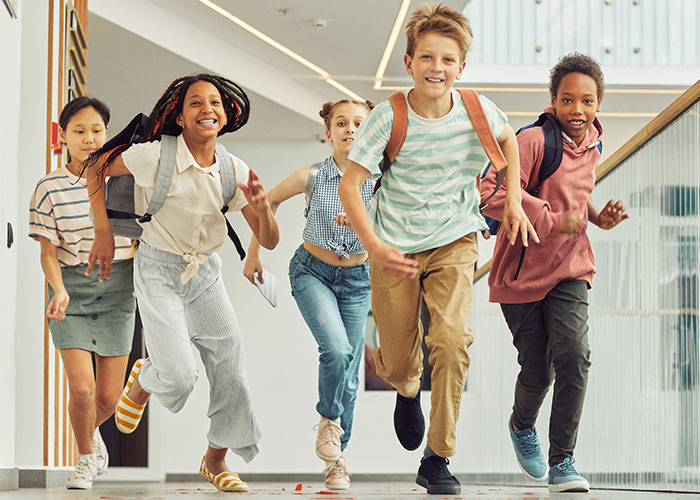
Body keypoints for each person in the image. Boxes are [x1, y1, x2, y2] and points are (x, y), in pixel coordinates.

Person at [338, 3, 536, 495]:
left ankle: (438, 456)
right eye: (427, 58)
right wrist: (374, 247)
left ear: (461, 68)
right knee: (404, 363)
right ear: (409, 62)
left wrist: (511, 200)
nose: (437, 69)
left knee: (452, 341)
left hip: (454, 239)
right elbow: (351, 185)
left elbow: (509, 141)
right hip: (394, 246)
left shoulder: (477, 110)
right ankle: (406, 388)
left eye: (448, 60)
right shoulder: (388, 117)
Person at [86, 73, 279, 493]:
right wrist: (102, 231)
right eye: (195, 102)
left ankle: (215, 459)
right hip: (157, 267)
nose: (206, 108)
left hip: (205, 273)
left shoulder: (234, 169)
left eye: (214, 102)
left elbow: (268, 240)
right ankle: (142, 383)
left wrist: (264, 211)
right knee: (179, 375)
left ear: (227, 114)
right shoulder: (154, 156)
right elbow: (96, 167)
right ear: (179, 114)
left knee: (230, 365)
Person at [480, 53, 628, 493]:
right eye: (567, 100)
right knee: (538, 372)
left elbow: (578, 198)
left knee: (575, 358)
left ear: (599, 103)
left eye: (587, 100)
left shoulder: (596, 144)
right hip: (521, 273)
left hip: (571, 268)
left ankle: (563, 460)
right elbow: (489, 192)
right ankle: (522, 424)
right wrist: (549, 216)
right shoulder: (531, 142)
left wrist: (597, 218)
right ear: (552, 101)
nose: (577, 110)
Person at [243, 99, 374, 490]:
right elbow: (268, 203)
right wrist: (253, 255)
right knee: (336, 350)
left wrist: (364, 220)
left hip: (358, 278)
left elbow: (394, 224)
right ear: (329, 132)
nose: (350, 129)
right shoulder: (312, 176)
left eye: (358, 123)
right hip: (311, 271)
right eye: (341, 123)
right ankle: (328, 419)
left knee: (350, 374)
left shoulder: (380, 179)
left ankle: (336, 458)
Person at [28, 96, 136, 490]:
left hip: (119, 288)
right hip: (71, 290)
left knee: (106, 398)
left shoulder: (125, 180)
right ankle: (85, 460)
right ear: (63, 137)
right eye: (79, 131)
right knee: (82, 388)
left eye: (96, 131)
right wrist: (58, 290)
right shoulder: (49, 187)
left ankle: (90, 434)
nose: (89, 138)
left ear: (107, 134)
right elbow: (47, 251)